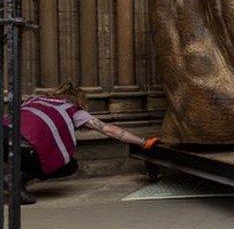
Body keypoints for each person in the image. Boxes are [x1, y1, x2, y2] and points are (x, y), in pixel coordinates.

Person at [8, 82, 159, 204]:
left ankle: (14, 181)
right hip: (26, 147)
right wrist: (143, 142)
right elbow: (110, 130)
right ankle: (18, 178)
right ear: (79, 100)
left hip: (4, 138)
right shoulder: (74, 111)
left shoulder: (34, 100)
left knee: (18, 149)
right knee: (68, 165)